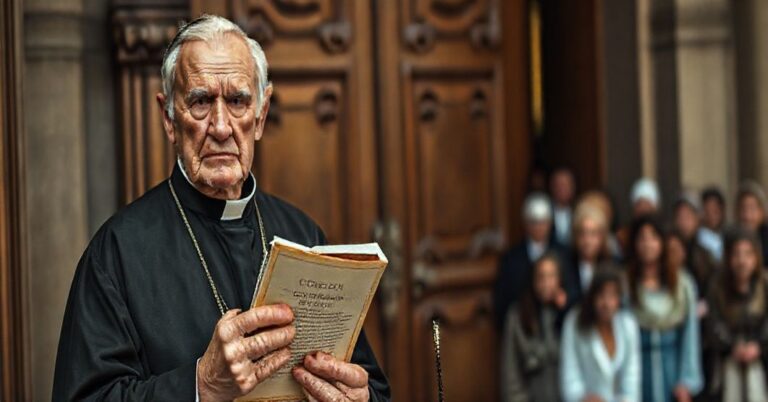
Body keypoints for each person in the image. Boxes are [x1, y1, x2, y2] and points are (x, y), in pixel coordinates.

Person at [52, 15, 389, 401]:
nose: (221, 126)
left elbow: (369, 385)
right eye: (200, 101)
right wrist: (201, 385)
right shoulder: (116, 254)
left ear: (260, 116)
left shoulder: (302, 233)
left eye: (237, 101)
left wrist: (361, 397)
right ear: (169, 118)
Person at [627, 216, 703, 402]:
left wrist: (686, 381)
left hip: (671, 369)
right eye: (642, 238)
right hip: (637, 372)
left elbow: (690, 336)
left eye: (653, 237)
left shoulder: (682, 284)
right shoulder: (626, 286)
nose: (648, 244)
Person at [704, 229, 768, 401]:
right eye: (736, 254)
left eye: (748, 254)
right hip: (726, 361)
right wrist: (732, 346)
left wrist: (759, 346)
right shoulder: (717, 287)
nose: (742, 261)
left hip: (761, 361)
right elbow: (713, 324)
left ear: (756, 257)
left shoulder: (764, 284)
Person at [560, 268, 641, 402]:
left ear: (619, 298)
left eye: (612, 296)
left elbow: (632, 377)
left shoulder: (628, 324)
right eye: (601, 295)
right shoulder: (575, 321)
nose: (606, 303)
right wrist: (582, 398)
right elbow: (570, 373)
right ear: (592, 297)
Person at [494, 192, 568, 330]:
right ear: (525, 223)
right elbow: (503, 299)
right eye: (534, 222)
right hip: (522, 328)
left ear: (550, 222)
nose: (539, 227)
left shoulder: (563, 254)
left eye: (543, 221)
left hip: (556, 327)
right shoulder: (512, 259)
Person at [501, 252, 568, 402]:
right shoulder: (518, 315)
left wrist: (564, 312)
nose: (546, 283)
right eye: (541, 277)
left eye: (551, 277)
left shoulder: (569, 314)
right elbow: (511, 375)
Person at [673, 193, 718, 300]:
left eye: (688, 216)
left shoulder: (706, 253)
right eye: (680, 217)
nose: (683, 222)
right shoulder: (669, 250)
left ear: (697, 219)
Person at [566, 202, 613, 305]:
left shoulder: (613, 267)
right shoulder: (565, 266)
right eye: (582, 233)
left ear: (602, 237)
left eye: (593, 234)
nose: (587, 241)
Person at [617, 178, 661, 254]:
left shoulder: (663, 235)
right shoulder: (623, 236)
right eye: (639, 204)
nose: (643, 208)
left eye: (647, 204)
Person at [736, 180, 768, 265]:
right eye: (743, 209)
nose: (747, 216)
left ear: (762, 212)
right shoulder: (731, 239)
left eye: (752, 209)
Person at [697, 187, 726, 263]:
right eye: (707, 211)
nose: (711, 216)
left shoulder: (727, 234)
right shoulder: (698, 238)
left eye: (715, 211)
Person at [550, 167, 577, 246]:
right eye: (559, 185)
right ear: (552, 187)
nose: (562, 189)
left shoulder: (578, 211)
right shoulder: (545, 212)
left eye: (565, 185)